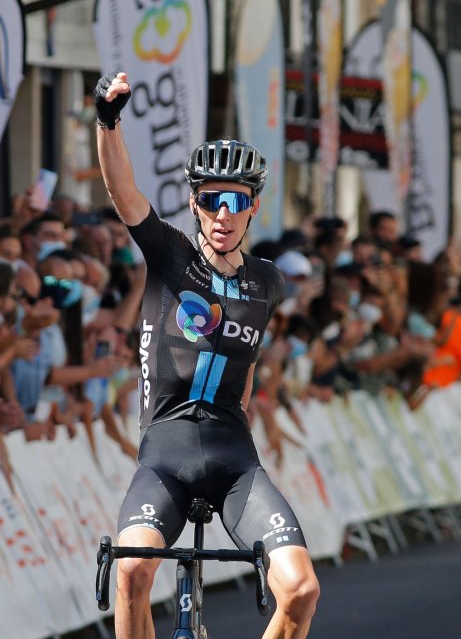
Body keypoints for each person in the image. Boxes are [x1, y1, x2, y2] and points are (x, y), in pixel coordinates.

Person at [95, 72, 319, 638]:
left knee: (300, 589)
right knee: (132, 573)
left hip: (233, 460)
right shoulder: (170, 257)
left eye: (235, 201)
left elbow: (244, 377)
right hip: (165, 458)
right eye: (210, 200)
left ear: (252, 208)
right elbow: (123, 192)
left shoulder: (268, 283)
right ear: (195, 204)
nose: (223, 214)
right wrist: (107, 121)